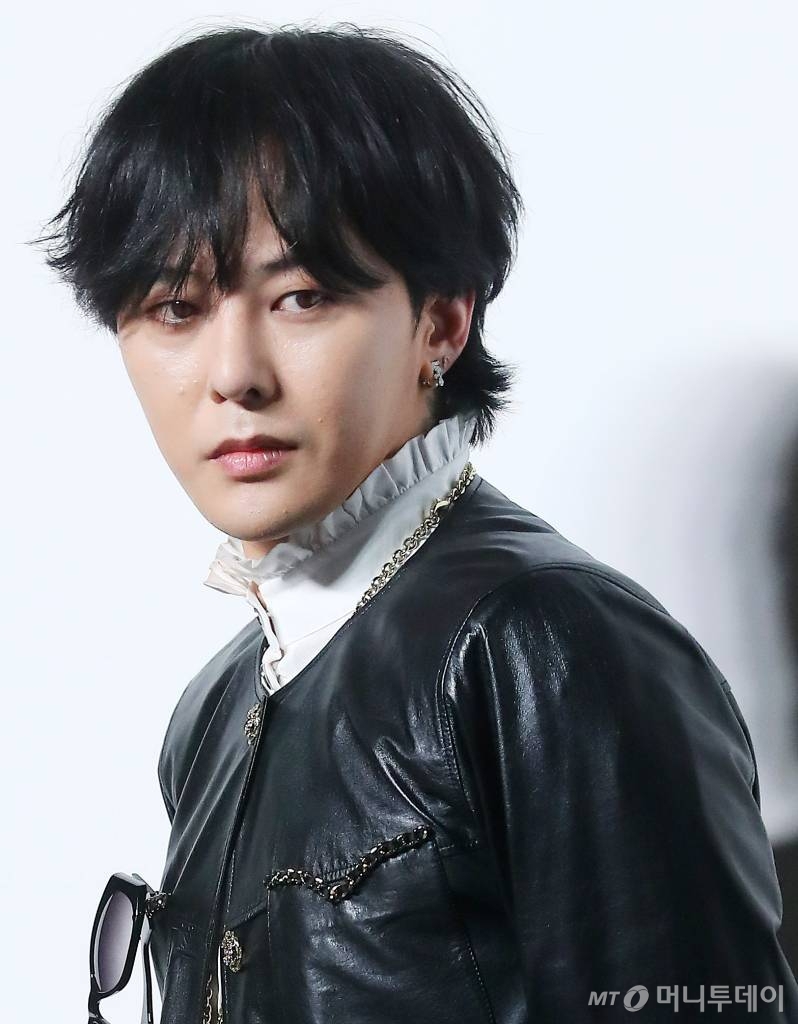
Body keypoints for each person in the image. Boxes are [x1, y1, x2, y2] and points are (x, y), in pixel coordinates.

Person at [36, 22, 798, 1023]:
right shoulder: (213, 712)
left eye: (301, 297)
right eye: (176, 308)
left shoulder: (547, 642)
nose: (234, 375)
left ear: (441, 320)